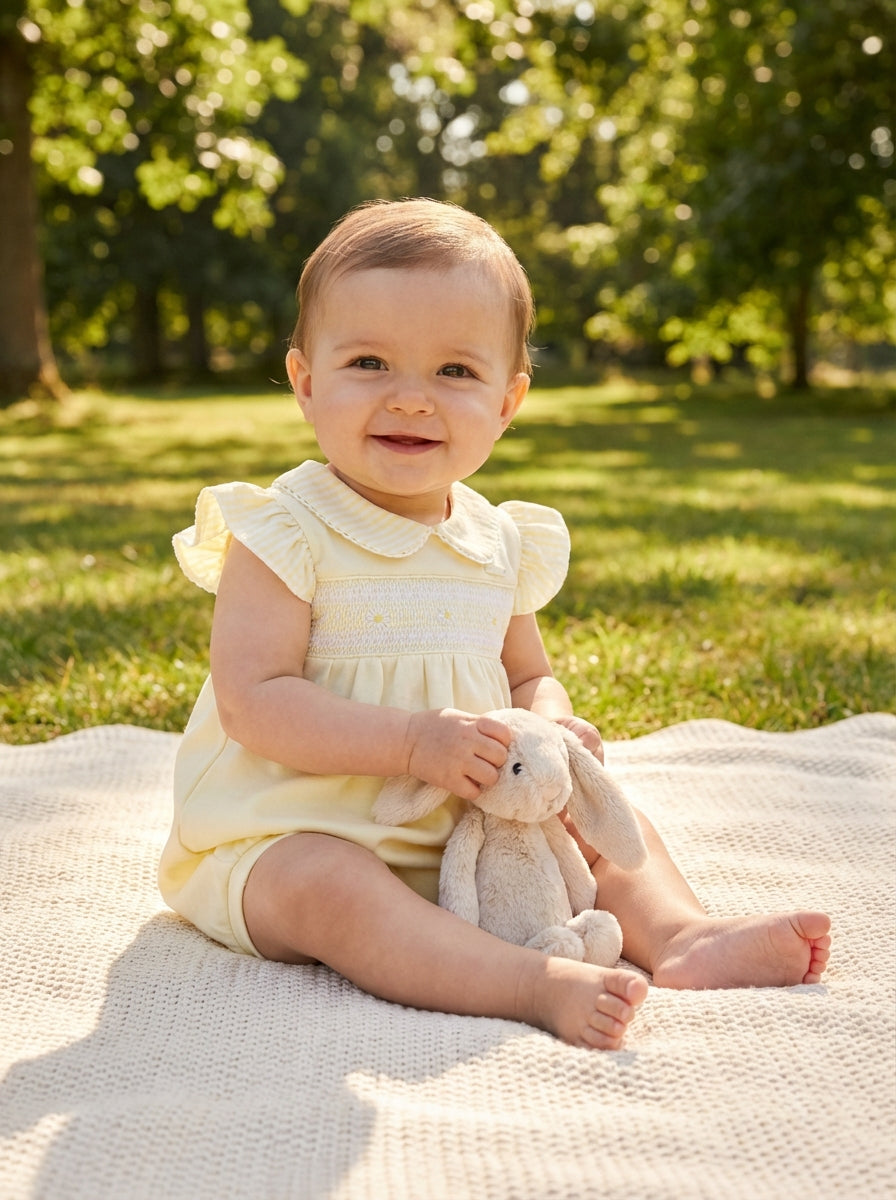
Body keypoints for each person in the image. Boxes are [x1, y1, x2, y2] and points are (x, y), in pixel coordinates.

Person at [158, 198, 830, 1050]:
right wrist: (410, 743)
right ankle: (524, 981)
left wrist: (550, 723)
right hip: (285, 831)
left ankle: (683, 935)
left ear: (508, 401)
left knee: (602, 821)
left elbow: (526, 673)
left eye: (454, 373)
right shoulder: (285, 529)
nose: (411, 400)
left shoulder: (497, 538)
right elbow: (255, 698)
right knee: (331, 888)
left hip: (470, 826)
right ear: (305, 382)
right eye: (369, 362)